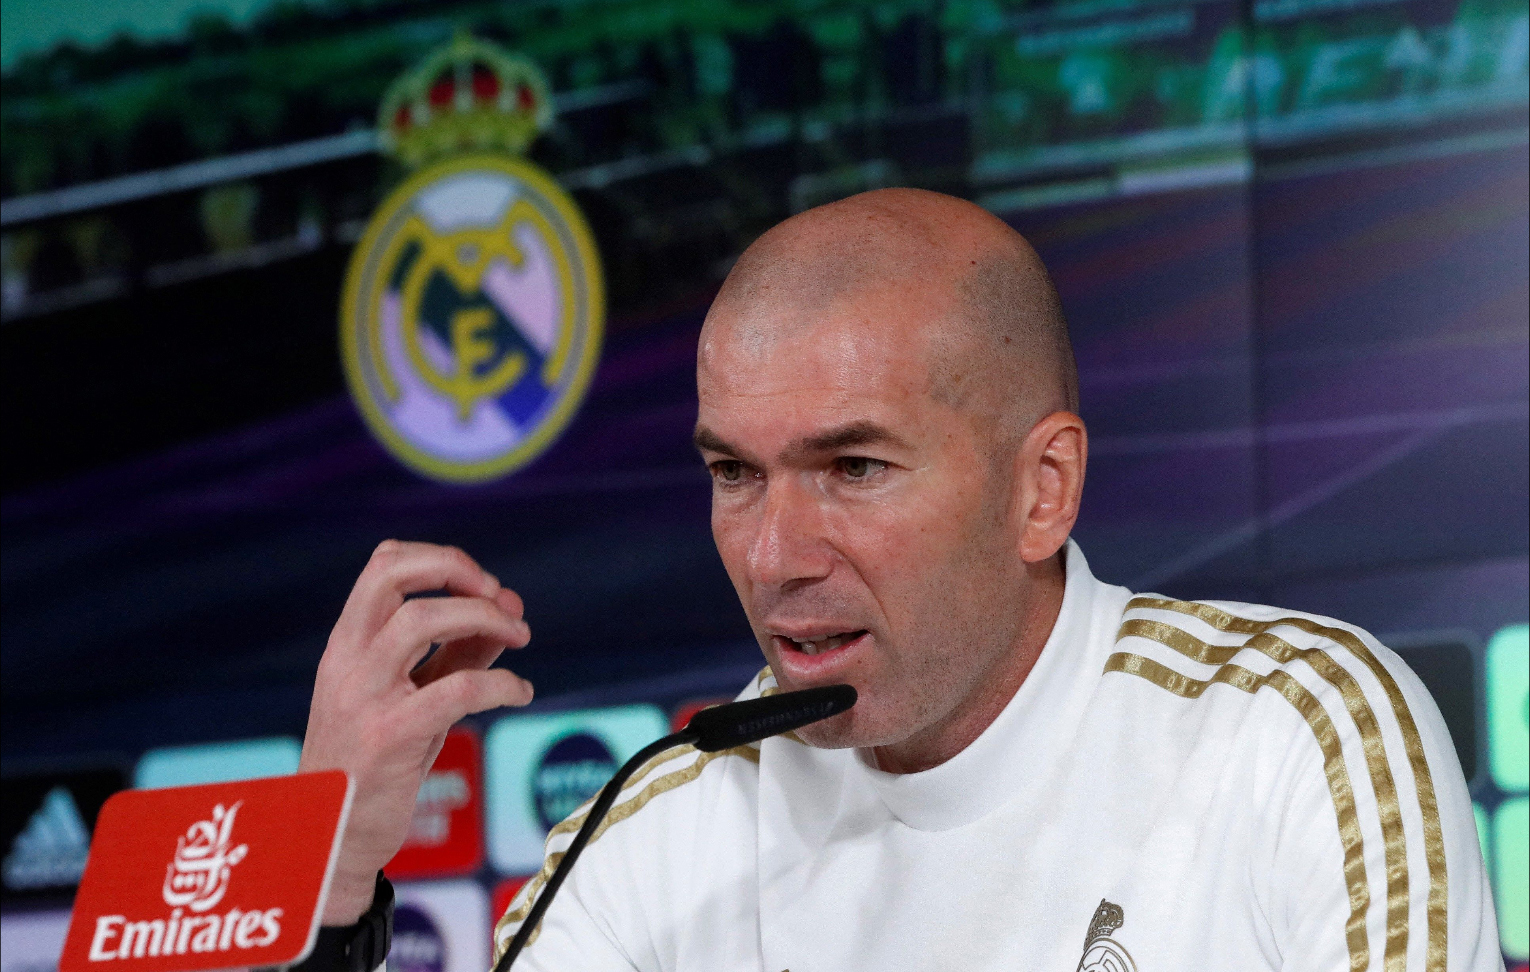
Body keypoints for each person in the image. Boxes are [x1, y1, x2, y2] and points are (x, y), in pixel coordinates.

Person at [298, 189, 1502, 971]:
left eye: (855, 467)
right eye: (734, 473)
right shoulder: (645, 841)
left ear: (1043, 490)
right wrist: (333, 882)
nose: (776, 556)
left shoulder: (1294, 732)